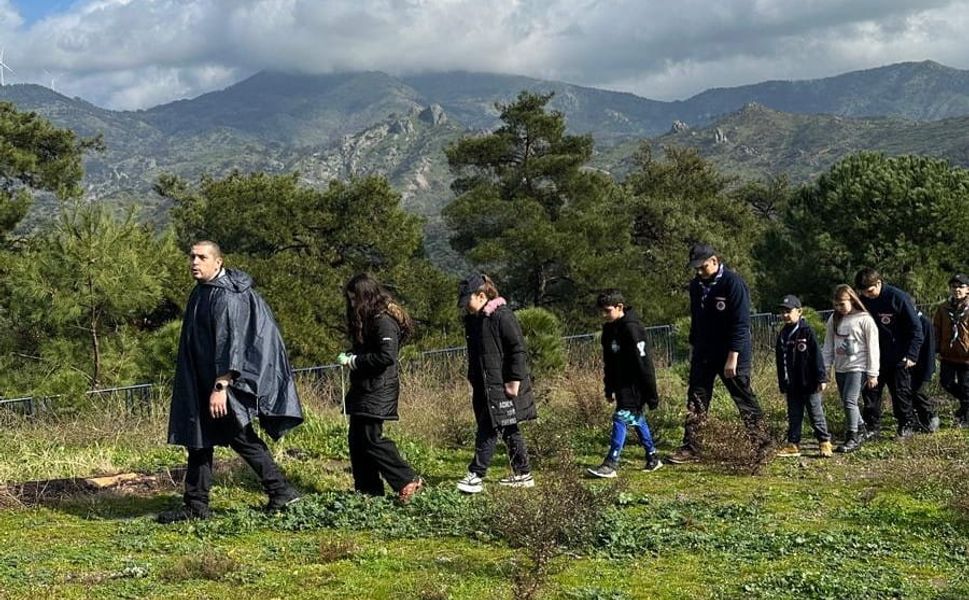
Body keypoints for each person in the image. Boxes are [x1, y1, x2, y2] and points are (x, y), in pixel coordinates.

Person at [159, 241, 303, 524]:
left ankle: (282, 491)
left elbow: (231, 345)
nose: (195, 262)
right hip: (201, 381)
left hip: (220, 385)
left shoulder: (225, 297)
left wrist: (220, 387)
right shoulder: (202, 291)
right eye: (192, 257)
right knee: (198, 441)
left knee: (240, 437)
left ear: (219, 262)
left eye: (202, 257)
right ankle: (196, 505)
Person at [669, 244, 766, 464]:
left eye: (703, 267)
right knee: (697, 398)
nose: (700, 272)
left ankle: (761, 442)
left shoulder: (733, 283)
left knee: (742, 396)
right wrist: (694, 345)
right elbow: (696, 318)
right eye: (696, 269)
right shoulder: (696, 286)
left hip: (731, 352)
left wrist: (733, 356)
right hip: (704, 352)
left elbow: (741, 324)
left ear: (714, 261)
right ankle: (691, 445)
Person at [337, 273, 423, 503]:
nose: (352, 303)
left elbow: (387, 356)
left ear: (366, 296)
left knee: (371, 439)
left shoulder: (384, 321)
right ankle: (368, 491)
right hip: (365, 388)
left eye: (355, 298)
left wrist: (355, 361)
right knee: (357, 440)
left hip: (378, 388)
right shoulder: (370, 318)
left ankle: (407, 478)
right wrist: (353, 354)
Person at [455, 274, 537, 493]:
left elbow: (517, 350)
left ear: (481, 296)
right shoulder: (475, 321)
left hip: (502, 386)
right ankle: (523, 473)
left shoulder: (502, 317)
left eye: (468, 301)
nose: (466, 307)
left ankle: (476, 474)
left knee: (489, 427)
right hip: (483, 385)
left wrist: (514, 381)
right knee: (508, 427)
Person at [587, 290, 662, 478]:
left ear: (620, 307)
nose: (604, 315)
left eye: (607, 311)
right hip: (620, 385)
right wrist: (608, 387)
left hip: (635, 385)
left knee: (621, 417)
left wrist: (651, 394)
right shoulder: (608, 330)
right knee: (635, 418)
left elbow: (645, 363)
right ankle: (653, 457)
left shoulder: (632, 328)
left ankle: (611, 463)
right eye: (601, 312)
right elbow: (609, 363)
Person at [854, 268, 925, 439]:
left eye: (870, 291)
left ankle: (906, 423)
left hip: (898, 355)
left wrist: (912, 354)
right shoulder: (862, 301)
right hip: (873, 356)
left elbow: (916, 328)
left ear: (879, 283)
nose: (867, 295)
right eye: (863, 292)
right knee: (871, 393)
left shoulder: (898, 298)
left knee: (900, 393)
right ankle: (871, 426)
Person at [822, 285, 880, 453]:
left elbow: (873, 347)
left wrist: (872, 373)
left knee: (850, 400)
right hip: (841, 368)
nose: (839, 308)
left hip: (858, 367)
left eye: (842, 304)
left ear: (852, 300)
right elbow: (828, 346)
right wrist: (826, 368)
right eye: (836, 305)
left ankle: (852, 436)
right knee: (847, 402)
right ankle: (861, 428)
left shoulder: (864, 319)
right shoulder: (834, 319)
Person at [774, 295, 832, 458]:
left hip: (810, 382)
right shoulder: (783, 335)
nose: (785, 315)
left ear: (799, 311)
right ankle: (793, 444)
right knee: (794, 415)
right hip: (792, 384)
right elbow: (780, 360)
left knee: (815, 414)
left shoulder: (806, 331)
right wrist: (782, 382)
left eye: (788, 311)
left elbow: (817, 356)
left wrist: (822, 378)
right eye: (782, 312)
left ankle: (824, 442)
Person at [933, 273, 969, 428]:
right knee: (946, 383)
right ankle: (965, 405)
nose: (957, 290)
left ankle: (965, 418)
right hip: (948, 354)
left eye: (961, 286)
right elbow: (937, 329)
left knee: (966, 386)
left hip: (966, 355)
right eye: (954, 287)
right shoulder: (943, 308)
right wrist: (936, 348)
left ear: (968, 289)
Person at [911, 305, 938, 432]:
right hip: (909, 366)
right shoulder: (907, 321)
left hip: (923, 366)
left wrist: (928, 371)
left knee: (919, 393)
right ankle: (919, 421)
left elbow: (930, 350)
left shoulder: (925, 323)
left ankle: (930, 418)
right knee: (909, 393)